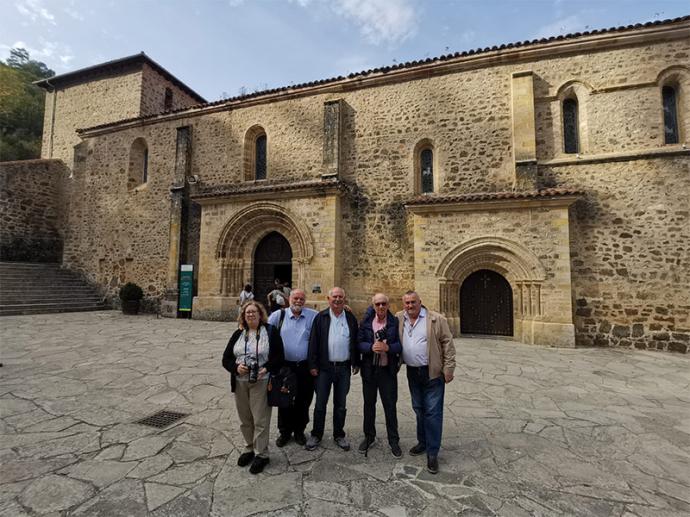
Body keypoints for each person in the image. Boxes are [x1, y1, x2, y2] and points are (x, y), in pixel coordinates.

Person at [222, 301, 285, 474]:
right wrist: (235, 368)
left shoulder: (270, 332)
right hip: (240, 382)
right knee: (245, 419)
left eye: (254, 312)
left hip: (261, 381)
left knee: (260, 419)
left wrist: (266, 368)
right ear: (243, 315)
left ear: (260, 314)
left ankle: (262, 454)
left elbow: (280, 357)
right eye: (247, 312)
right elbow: (226, 358)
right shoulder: (237, 334)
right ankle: (249, 448)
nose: (250, 315)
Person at [396, 290, 455, 474]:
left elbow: (448, 343)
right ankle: (422, 442)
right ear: (403, 304)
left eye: (413, 302)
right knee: (419, 408)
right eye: (407, 303)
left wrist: (449, 368)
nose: (410, 306)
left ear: (420, 302)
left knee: (433, 412)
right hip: (413, 372)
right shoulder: (399, 318)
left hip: (433, 372)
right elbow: (376, 314)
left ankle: (432, 452)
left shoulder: (436, 319)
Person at [305, 286, 360, 451]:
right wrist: (312, 365)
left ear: (344, 299)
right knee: (320, 403)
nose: (337, 299)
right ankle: (316, 434)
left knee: (341, 404)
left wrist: (355, 362)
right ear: (328, 299)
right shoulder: (320, 317)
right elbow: (313, 342)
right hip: (324, 369)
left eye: (340, 297)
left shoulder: (350, 318)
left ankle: (339, 435)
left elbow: (355, 341)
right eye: (334, 297)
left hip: (343, 368)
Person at [267, 288, 318, 447]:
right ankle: (284, 432)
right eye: (296, 298)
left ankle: (299, 431)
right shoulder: (278, 316)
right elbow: (265, 332)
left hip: (304, 366)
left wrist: (345, 308)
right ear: (289, 299)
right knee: (284, 399)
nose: (298, 301)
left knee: (304, 399)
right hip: (285, 367)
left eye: (302, 299)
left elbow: (329, 318)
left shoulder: (313, 315)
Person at [357, 293, 402, 457]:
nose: (381, 307)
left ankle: (394, 440)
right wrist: (370, 347)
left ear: (388, 305)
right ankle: (369, 436)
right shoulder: (366, 323)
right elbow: (359, 343)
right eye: (378, 304)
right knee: (369, 405)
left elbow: (400, 345)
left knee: (390, 406)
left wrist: (388, 348)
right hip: (369, 370)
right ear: (373, 306)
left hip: (387, 371)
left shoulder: (394, 323)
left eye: (384, 303)